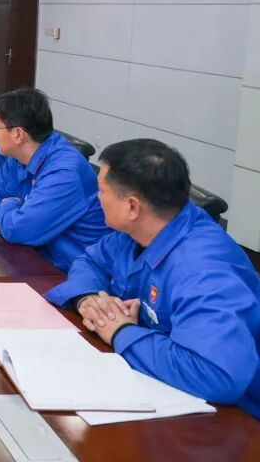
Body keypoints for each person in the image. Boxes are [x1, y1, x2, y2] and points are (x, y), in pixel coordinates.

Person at [46, 139, 259, 417]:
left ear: (132, 207)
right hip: (164, 385)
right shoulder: (139, 230)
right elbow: (92, 261)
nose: (97, 198)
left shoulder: (203, 270)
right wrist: (89, 299)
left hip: (235, 418)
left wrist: (121, 332)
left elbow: (218, 375)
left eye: (102, 190)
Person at [0, 89, 109, 271]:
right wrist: (12, 213)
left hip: (71, 271)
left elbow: (19, 230)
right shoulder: (19, 158)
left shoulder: (64, 172)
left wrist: (9, 204)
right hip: (33, 256)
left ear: (18, 134)